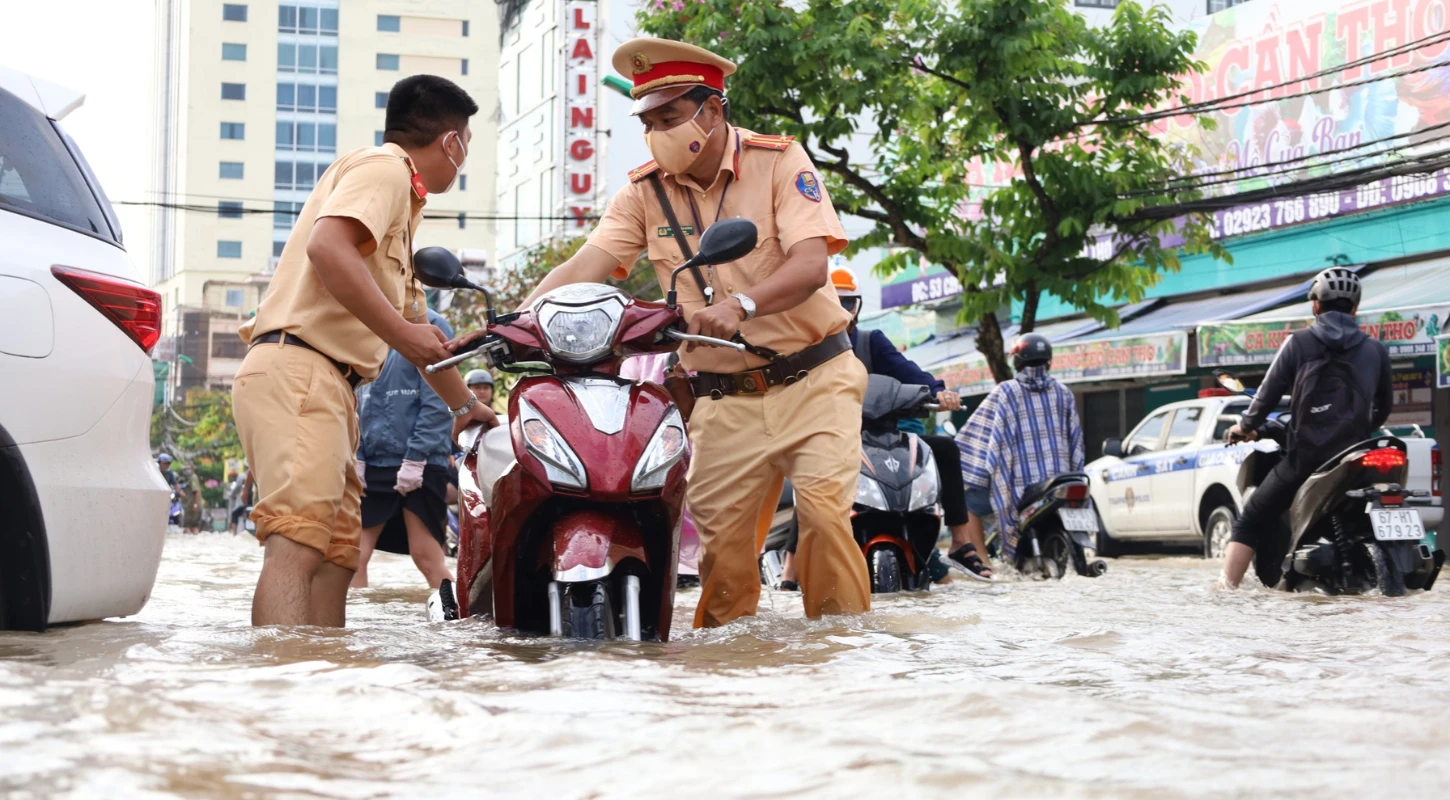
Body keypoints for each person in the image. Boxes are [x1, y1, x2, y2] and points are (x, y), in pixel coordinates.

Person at [460, 37, 872, 626]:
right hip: (723, 397)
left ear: (712, 108)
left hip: (815, 378)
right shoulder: (643, 192)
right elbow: (584, 266)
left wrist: (742, 304)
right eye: (648, 122)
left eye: (670, 117)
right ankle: (726, 690)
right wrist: (512, 324)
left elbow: (810, 265)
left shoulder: (779, 161)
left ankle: (842, 661)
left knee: (827, 522)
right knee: (723, 562)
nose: (657, 133)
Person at [232, 75, 493, 628]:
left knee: (336, 557)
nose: (463, 157)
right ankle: (278, 692)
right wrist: (400, 332)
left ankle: (320, 686)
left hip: (331, 386)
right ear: (451, 141)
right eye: (466, 143)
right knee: (298, 545)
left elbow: (424, 339)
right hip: (300, 369)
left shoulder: (399, 220)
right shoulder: (386, 170)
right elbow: (327, 247)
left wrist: (465, 407)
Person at [774, 268, 991, 587]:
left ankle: (960, 540)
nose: (840, 310)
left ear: (856, 306)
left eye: (846, 302)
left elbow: (911, 373)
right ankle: (791, 568)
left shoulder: (870, 341)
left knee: (944, 448)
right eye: (832, 302)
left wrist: (937, 391)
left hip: (883, 438)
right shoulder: (806, 348)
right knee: (815, 472)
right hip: (834, 439)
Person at [1222, 267, 1392, 589]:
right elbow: (1384, 408)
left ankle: (1224, 593)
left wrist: (1244, 427)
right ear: (1355, 308)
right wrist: (1360, 432)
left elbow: (1265, 397)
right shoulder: (1375, 350)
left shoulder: (1298, 343)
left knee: (1249, 519)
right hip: (1356, 459)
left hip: (1306, 459)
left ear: (1315, 305)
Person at [353, 308, 498, 620]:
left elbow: (436, 400)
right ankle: (356, 627)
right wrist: (359, 455)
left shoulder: (432, 323)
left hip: (419, 461)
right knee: (353, 555)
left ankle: (462, 618)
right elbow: (359, 396)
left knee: (426, 554)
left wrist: (416, 457)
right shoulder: (365, 318)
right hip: (375, 461)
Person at [954, 334, 1084, 567]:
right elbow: (1076, 441)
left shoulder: (1006, 391)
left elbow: (979, 436)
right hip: (1060, 480)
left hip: (1019, 486)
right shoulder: (1064, 392)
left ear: (1018, 361)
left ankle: (983, 562)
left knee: (968, 502)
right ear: (1049, 361)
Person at [180, 465, 204, 533]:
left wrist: (195, 505)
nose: (185, 471)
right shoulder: (187, 478)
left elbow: (196, 491)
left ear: (192, 469)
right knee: (194, 527)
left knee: (188, 526)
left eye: (187, 469)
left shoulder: (193, 477)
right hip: (191, 505)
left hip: (192, 505)